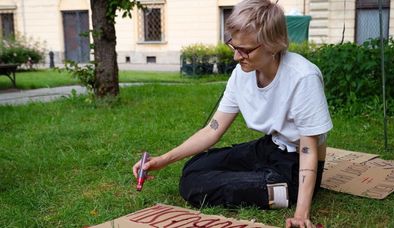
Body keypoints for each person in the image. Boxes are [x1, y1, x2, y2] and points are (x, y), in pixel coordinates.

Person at [133, 0, 332, 227]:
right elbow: (212, 129)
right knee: (194, 167)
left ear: (273, 45)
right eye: (233, 46)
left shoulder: (303, 77)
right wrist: (163, 160)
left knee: (193, 185)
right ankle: (262, 180)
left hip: (295, 166)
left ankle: (281, 191)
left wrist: (301, 214)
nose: (236, 57)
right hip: (270, 146)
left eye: (244, 50)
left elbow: (308, 148)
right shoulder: (242, 73)